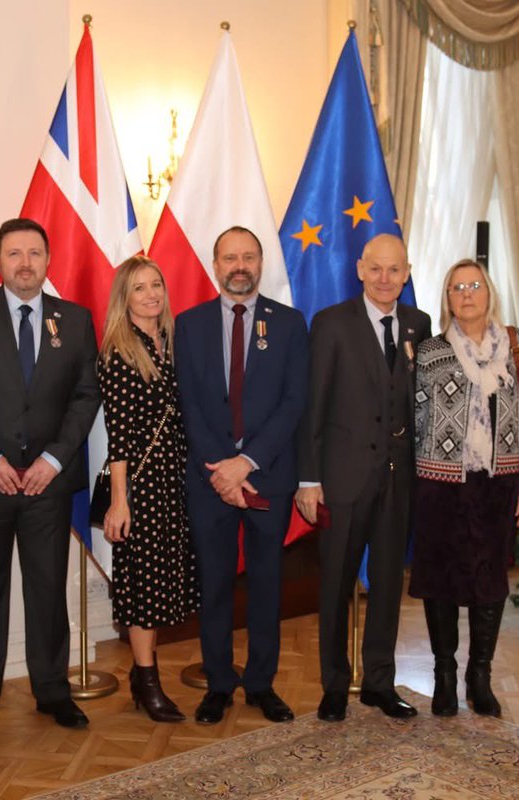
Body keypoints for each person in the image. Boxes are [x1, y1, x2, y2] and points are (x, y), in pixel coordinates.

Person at [0, 218, 101, 731]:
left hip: (47, 483)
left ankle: (52, 690)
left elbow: (85, 397)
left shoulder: (76, 320)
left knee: (47, 586)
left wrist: (54, 459)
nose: (24, 263)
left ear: (48, 260)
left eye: (34, 253)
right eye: (13, 254)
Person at [174, 226, 309, 725]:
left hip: (267, 477)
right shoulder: (188, 325)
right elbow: (188, 402)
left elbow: (295, 402)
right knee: (213, 585)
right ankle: (218, 685)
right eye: (230, 257)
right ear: (215, 266)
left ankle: (261, 684)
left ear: (260, 264)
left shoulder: (291, 324)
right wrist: (222, 469)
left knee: (266, 585)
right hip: (209, 482)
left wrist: (247, 463)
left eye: (248, 257)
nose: (240, 266)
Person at [296, 234, 431, 722]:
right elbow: (314, 406)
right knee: (335, 584)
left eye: (394, 270)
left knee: (389, 584)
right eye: (375, 269)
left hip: (399, 481)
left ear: (407, 272)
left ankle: (379, 681)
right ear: (359, 269)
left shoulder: (419, 324)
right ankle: (334, 684)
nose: (384, 279)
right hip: (342, 478)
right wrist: (308, 480)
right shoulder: (331, 324)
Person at [407, 259, 519, 719]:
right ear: (447, 298)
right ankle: (444, 676)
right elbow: (415, 419)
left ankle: (478, 677)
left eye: (474, 285)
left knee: (490, 583)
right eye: (456, 287)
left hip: (499, 485)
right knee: (440, 583)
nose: (466, 294)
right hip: (439, 485)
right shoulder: (429, 352)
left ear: (490, 292)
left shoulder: (518, 346)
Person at [97, 255, 199, 722]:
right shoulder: (120, 349)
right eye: (139, 288)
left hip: (175, 480)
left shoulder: (172, 341)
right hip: (140, 485)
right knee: (145, 589)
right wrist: (121, 502)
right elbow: (118, 434)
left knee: (162, 587)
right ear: (124, 297)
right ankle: (148, 682)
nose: (151, 294)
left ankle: (143, 676)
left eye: (156, 284)